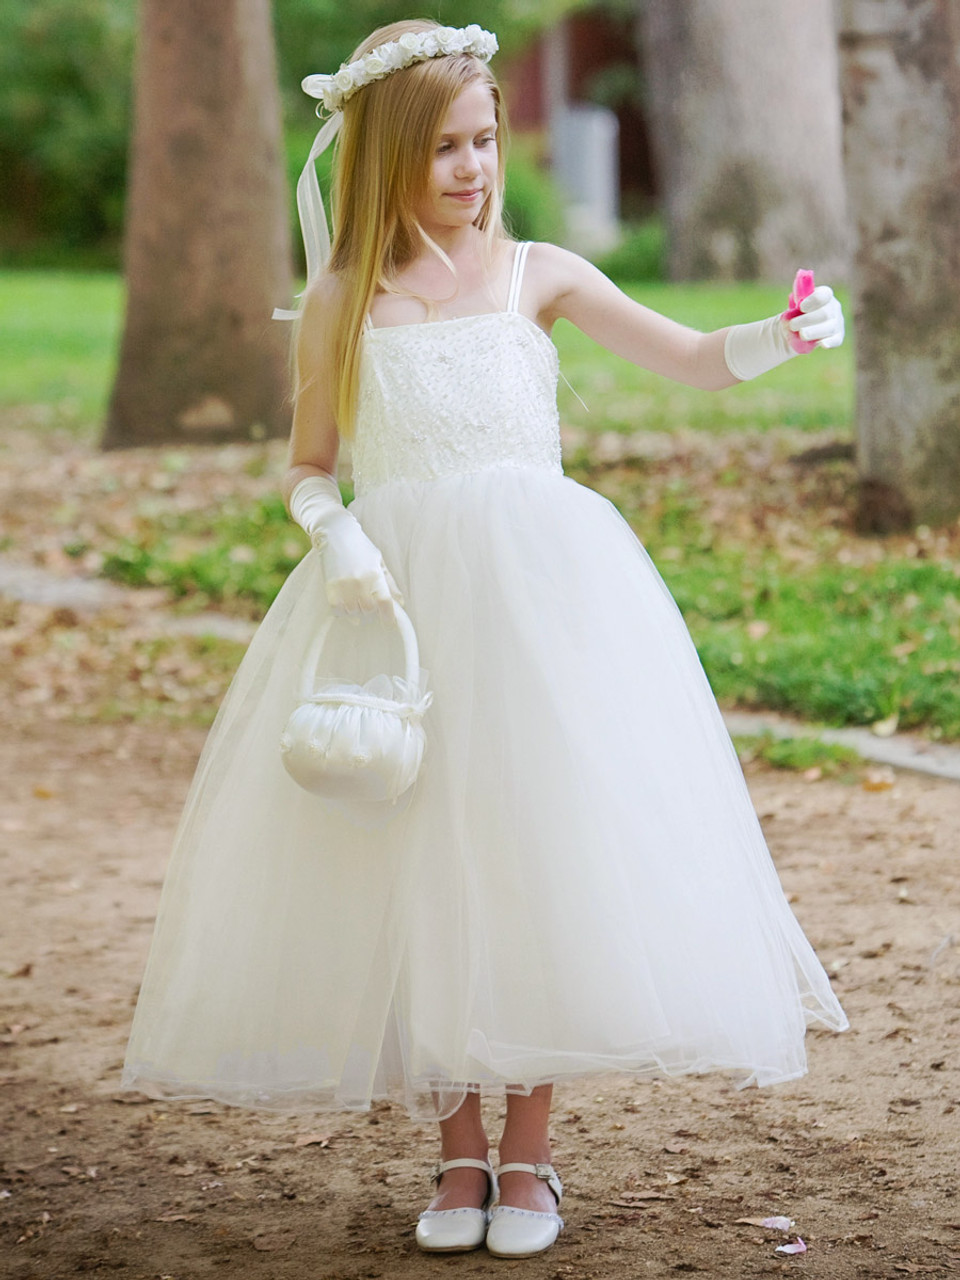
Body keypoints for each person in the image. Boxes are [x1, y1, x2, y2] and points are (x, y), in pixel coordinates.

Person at [122, 18, 849, 1261]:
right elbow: (308, 469)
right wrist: (336, 534)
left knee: (528, 850)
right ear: (387, 158)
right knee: (420, 854)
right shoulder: (347, 299)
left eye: (485, 140)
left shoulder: (541, 275)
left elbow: (684, 356)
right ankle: (458, 1149)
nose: (472, 167)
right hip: (401, 608)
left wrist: (780, 337)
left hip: (542, 604)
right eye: (445, 148)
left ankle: (531, 1155)